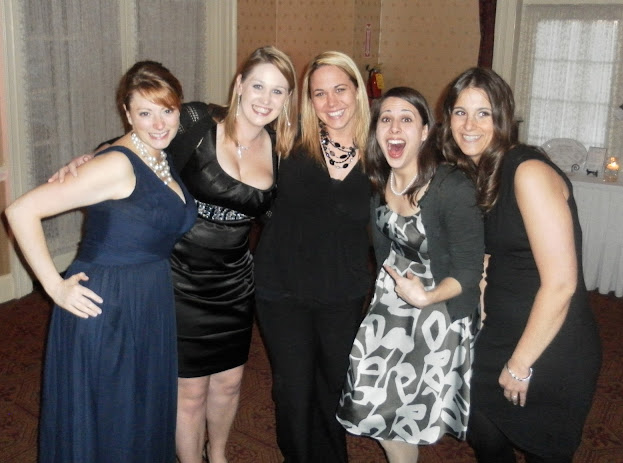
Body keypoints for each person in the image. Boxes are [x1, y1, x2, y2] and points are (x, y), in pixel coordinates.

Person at [48, 46, 298, 463]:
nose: (265, 99)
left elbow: (284, 214)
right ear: (239, 85)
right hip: (180, 279)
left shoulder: (280, 148)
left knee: (230, 383)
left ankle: (218, 454)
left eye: (277, 91)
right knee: (191, 390)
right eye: (258, 86)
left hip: (235, 283)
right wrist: (95, 155)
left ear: (287, 98)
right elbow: (143, 142)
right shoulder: (198, 121)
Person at [6, 61, 197, 462]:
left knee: (137, 408)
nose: (159, 123)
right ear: (127, 113)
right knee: (113, 415)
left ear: (179, 108)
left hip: (147, 298)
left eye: (167, 110)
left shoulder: (157, 153)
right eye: (144, 112)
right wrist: (54, 286)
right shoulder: (117, 164)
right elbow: (21, 211)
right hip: (108, 304)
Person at [438, 67, 601, 463]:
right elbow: (494, 254)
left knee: (543, 450)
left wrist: (521, 364)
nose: (470, 125)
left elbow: (562, 284)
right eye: (460, 112)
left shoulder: (527, 172)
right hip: (503, 331)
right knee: (479, 423)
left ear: (504, 118)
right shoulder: (484, 170)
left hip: (551, 344)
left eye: (484, 113)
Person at [336, 87, 485, 463]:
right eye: (385, 119)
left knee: (404, 417)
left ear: (425, 131)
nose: (394, 128)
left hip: (437, 312)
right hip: (389, 305)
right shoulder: (378, 182)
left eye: (406, 119)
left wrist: (427, 297)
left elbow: (469, 269)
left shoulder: (451, 186)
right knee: (373, 405)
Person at [252, 51, 372, 463]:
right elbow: (219, 131)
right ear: (308, 100)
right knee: (293, 389)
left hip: (342, 291)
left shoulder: (381, 152)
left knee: (334, 386)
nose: (331, 102)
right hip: (281, 289)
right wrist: (110, 150)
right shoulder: (287, 139)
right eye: (319, 93)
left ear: (357, 91)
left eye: (340, 89)